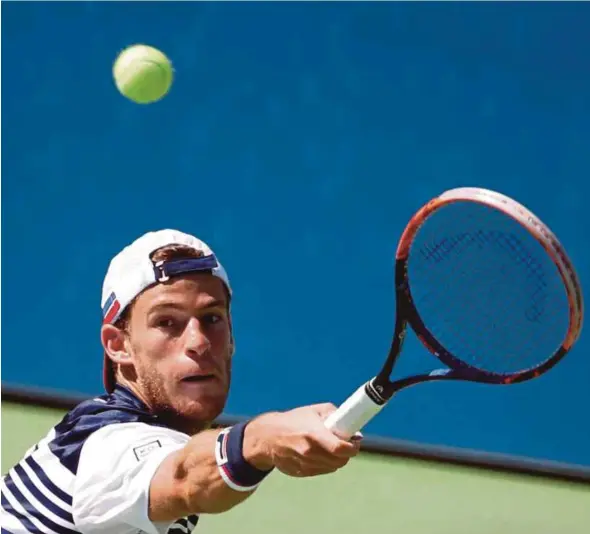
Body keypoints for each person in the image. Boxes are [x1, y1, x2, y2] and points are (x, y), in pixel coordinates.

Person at [1, 229, 361, 534]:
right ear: (118, 345)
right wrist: (261, 438)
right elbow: (184, 477)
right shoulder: (103, 439)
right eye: (167, 323)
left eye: (212, 318)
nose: (199, 342)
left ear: (232, 336)